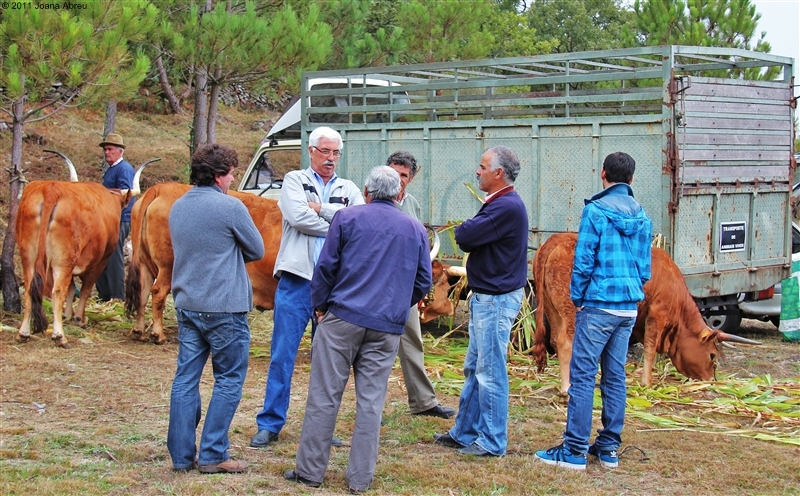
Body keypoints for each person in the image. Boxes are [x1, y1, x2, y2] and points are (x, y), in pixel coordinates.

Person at [284, 166, 432, 493]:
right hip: (386, 325)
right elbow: (423, 281)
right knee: (371, 401)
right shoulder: (415, 229)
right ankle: (360, 479)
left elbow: (326, 267)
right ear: (399, 195)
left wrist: (321, 306)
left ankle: (309, 472)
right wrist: (395, 306)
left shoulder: (346, 219)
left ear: (366, 192)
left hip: (342, 318)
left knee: (324, 395)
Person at [534, 151, 652, 470]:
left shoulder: (596, 211)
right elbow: (644, 268)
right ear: (632, 179)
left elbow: (584, 260)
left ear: (603, 174)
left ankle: (573, 450)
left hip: (598, 305)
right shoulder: (642, 216)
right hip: (628, 308)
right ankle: (609, 448)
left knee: (583, 375)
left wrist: (578, 297)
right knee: (615, 376)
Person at [251, 126, 364, 448]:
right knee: (282, 354)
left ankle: (322, 428)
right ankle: (270, 423)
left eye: (335, 153)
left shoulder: (348, 187)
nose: (330, 159)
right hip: (297, 282)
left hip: (333, 287)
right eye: (325, 151)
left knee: (329, 360)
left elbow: (357, 221)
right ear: (311, 151)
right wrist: (336, 227)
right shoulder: (293, 181)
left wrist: (323, 211)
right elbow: (299, 217)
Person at [166, 144, 265, 474]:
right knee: (228, 380)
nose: (234, 179)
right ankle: (213, 453)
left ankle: (181, 456)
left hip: (187, 304)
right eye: (233, 173)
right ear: (220, 176)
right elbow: (256, 248)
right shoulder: (230, 207)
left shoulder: (178, 207)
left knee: (185, 380)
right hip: (224, 307)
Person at [433, 146, 528, 457]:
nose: (478, 171)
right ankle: (464, 431)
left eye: (483, 166)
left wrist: (465, 228)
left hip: (496, 299)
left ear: (498, 174)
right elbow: (470, 233)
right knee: (476, 367)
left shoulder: (505, 207)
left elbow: (466, 236)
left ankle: (492, 441)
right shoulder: (501, 203)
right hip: (490, 297)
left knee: (490, 371)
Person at [386, 151, 455, 419]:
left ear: (411, 178)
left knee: (413, 341)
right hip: (377, 287)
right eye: (394, 173)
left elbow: (419, 246)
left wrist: (419, 286)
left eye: (404, 175)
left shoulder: (412, 204)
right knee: (370, 348)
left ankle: (424, 402)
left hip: (405, 288)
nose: (399, 179)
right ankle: (368, 406)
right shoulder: (374, 199)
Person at [96, 133, 136, 302]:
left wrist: (102, 193)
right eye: (105, 149)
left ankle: (118, 296)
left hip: (121, 218)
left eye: (110, 149)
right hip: (109, 218)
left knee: (114, 256)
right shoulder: (112, 169)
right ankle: (104, 295)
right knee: (102, 255)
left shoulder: (124, 169)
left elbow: (126, 194)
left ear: (120, 152)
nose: (107, 152)